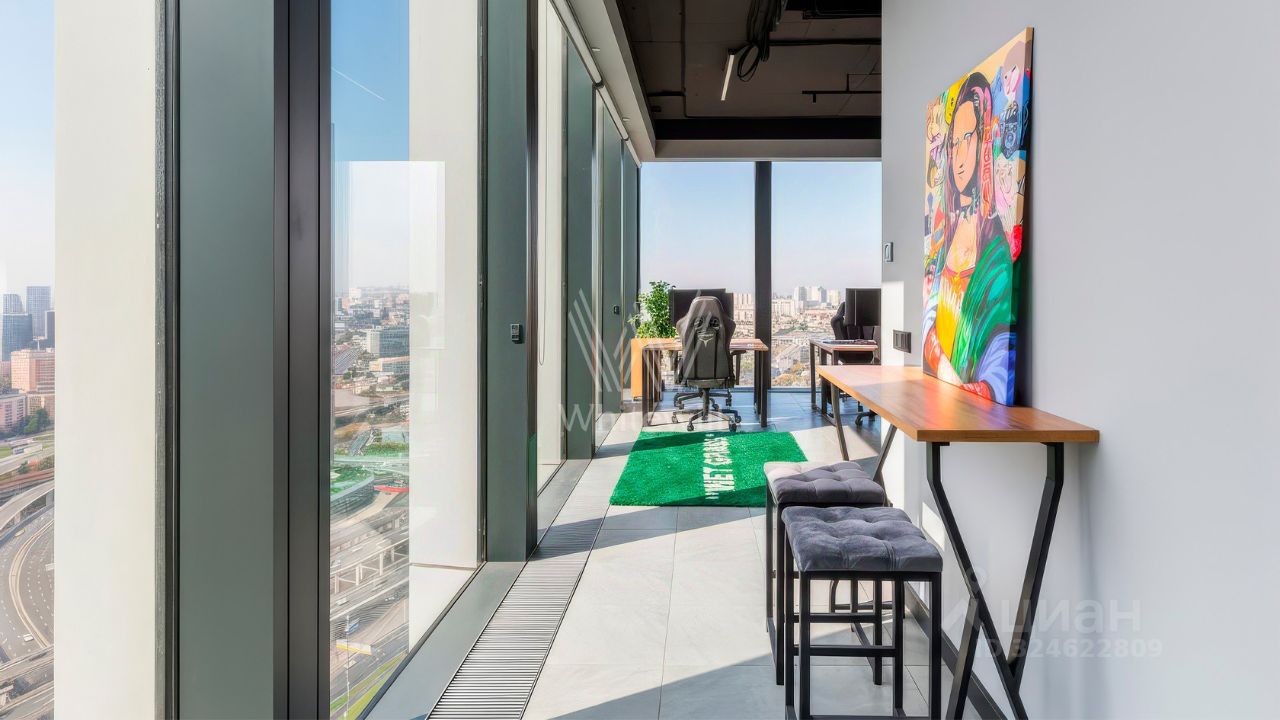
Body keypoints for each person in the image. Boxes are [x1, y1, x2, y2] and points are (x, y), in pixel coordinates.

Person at [923, 71, 1017, 404]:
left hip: (968, 404)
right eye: (954, 144)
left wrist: (962, 390)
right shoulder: (943, 241)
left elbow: (998, 362)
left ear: (983, 142)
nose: (960, 158)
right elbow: (929, 317)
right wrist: (943, 367)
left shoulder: (995, 256)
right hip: (942, 393)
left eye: (968, 138)